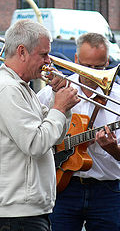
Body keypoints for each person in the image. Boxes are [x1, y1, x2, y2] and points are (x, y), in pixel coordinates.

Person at [0, 19, 80, 231]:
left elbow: (54, 136)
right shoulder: (9, 90)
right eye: (43, 54)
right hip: (18, 212)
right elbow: (35, 144)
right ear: (22, 51)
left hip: (26, 209)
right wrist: (59, 108)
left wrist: (59, 101)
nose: (48, 60)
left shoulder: (21, 87)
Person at [37, 32, 120, 231]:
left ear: (107, 62)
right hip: (64, 185)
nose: (92, 74)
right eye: (86, 66)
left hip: (107, 189)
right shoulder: (56, 89)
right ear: (75, 60)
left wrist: (113, 149)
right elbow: (32, 130)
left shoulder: (117, 98)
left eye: (98, 67)